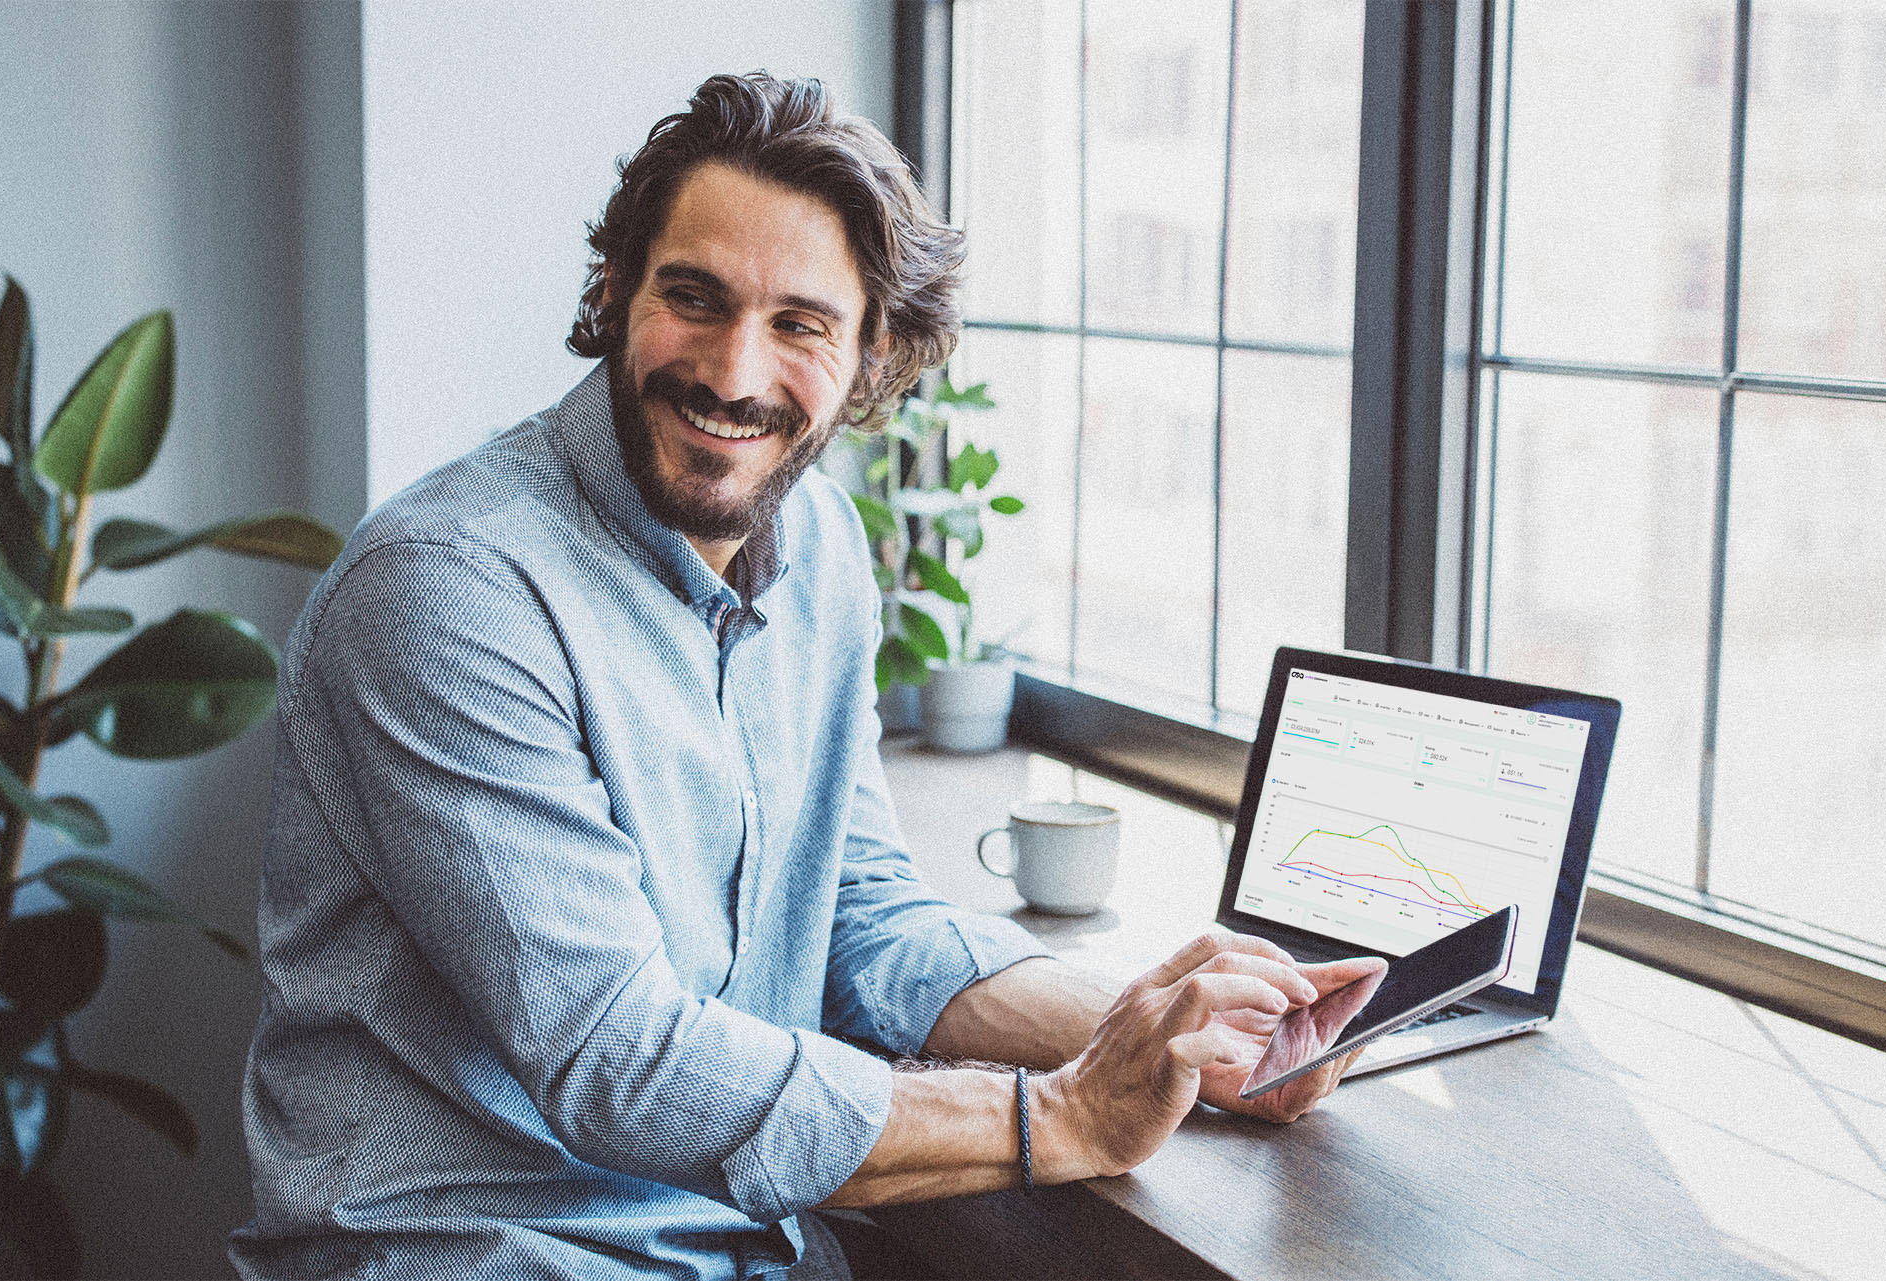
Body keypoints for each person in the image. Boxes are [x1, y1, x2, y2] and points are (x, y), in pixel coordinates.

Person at [230, 72, 1384, 1281]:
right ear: (616, 289)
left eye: (800, 324)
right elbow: (622, 1064)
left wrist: (1168, 1037)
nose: (734, 372)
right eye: (694, 297)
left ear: (872, 351)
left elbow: (856, 921)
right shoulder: (446, 591)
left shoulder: (824, 552)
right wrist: (1073, 1116)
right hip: (480, 1253)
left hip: (748, 1247)